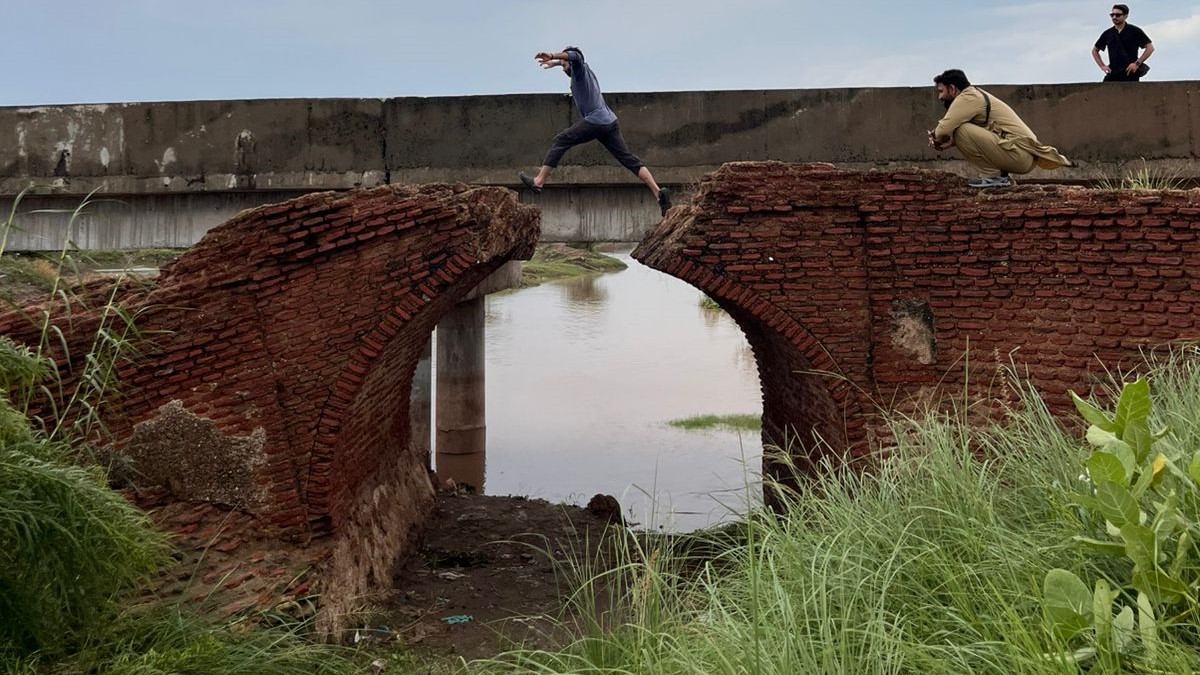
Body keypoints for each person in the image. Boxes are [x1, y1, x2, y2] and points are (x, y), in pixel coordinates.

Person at [519, 47, 672, 216]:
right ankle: (659, 194)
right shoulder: (586, 72)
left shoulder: (579, 67)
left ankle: (538, 181)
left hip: (596, 120)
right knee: (629, 159)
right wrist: (556, 63)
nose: (563, 68)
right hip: (610, 121)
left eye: (564, 64)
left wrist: (554, 55)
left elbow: (575, 56)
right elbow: (570, 61)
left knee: (560, 140)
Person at [927, 69, 1072, 189]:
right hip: (1021, 155)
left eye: (941, 91)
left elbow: (942, 130)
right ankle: (998, 178)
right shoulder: (974, 96)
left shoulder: (968, 97)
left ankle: (993, 177)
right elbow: (981, 136)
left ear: (952, 89)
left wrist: (935, 138)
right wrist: (953, 142)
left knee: (961, 130)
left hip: (1020, 154)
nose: (939, 97)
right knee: (961, 132)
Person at [1092, 4, 1154, 82]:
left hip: (1130, 72)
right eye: (1112, 15)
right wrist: (1102, 66)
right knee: (1103, 93)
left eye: (1118, 15)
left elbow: (1150, 48)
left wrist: (1137, 63)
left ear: (1125, 16)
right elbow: (1095, 50)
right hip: (1113, 72)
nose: (1114, 17)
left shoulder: (1135, 31)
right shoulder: (1107, 33)